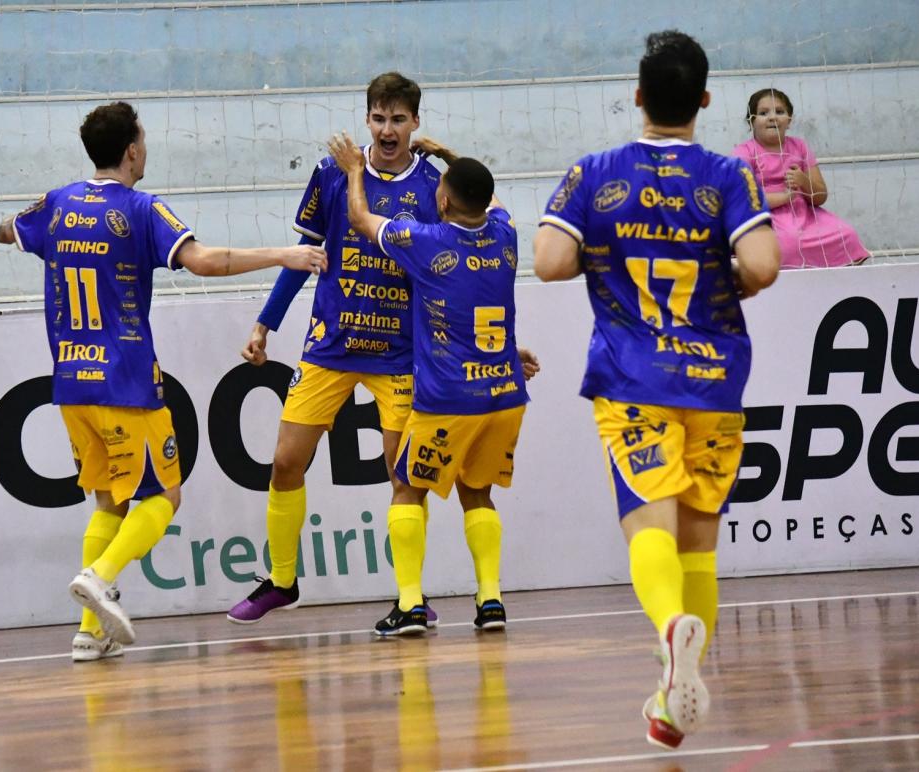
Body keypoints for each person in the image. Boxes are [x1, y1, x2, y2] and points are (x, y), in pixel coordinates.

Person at [0, 101, 326, 661]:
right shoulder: (141, 208)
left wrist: (16, 222)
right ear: (132, 151)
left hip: (70, 381)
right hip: (125, 381)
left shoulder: (56, 204)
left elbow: (7, 232)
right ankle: (100, 577)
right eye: (143, 141)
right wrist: (283, 255)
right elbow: (204, 261)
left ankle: (89, 633)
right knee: (162, 495)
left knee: (108, 501)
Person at [533, 31, 780, 749]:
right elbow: (763, 265)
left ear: (638, 96)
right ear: (705, 99)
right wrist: (722, 271)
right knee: (699, 542)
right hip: (714, 377)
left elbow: (549, 261)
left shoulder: (595, 172)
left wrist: (608, 255)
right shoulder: (729, 175)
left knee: (650, 529)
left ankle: (671, 630)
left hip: (632, 376)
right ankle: (672, 706)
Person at [226, 72, 447, 625]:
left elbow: (449, 271)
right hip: (330, 347)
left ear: (416, 122)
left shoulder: (432, 185)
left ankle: (412, 599)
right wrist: (265, 323)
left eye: (398, 119)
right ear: (366, 119)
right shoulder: (331, 173)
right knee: (285, 463)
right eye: (379, 118)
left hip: (400, 353)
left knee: (404, 478)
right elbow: (306, 254)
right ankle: (282, 581)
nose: (388, 130)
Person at [327, 131, 536, 636]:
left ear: (442, 201)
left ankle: (410, 605)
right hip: (504, 393)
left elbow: (360, 219)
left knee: (406, 488)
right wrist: (448, 155)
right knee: (477, 493)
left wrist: (354, 172)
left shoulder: (426, 241)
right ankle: (491, 601)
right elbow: (488, 194)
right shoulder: (506, 232)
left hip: (449, 398)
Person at [733, 88, 869, 269]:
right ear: (751, 121)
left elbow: (820, 196)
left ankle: (833, 282)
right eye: (763, 113)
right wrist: (784, 197)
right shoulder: (744, 152)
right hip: (765, 216)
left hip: (805, 214)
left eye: (779, 112)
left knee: (847, 236)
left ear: (789, 120)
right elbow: (744, 200)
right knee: (788, 243)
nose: (772, 117)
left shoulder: (800, 146)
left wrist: (803, 181)